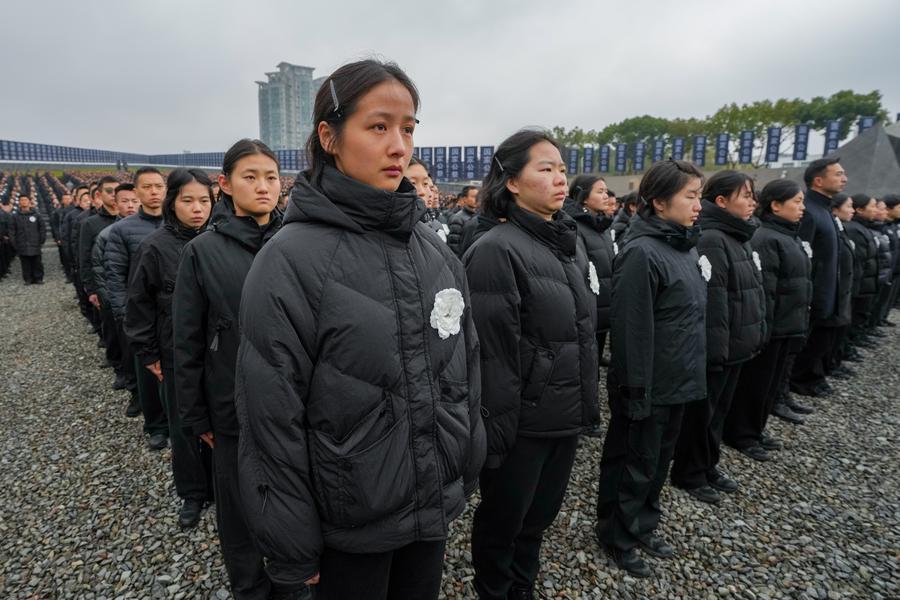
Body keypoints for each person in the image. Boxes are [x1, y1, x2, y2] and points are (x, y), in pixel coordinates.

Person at [232, 61, 485, 600]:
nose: (399, 146)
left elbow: (465, 368)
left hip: (429, 502)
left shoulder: (433, 251)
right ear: (329, 137)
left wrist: (464, 461)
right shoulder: (288, 261)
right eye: (378, 126)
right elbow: (271, 416)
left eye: (408, 128)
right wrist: (292, 542)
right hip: (348, 519)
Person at [465, 130, 598, 599]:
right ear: (512, 182)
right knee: (504, 522)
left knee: (538, 519)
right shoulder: (495, 250)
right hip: (521, 425)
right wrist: (496, 441)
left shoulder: (569, 243)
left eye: (562, 169)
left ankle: (522, 587)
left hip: (562, 414)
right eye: (545, 169)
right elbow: (492, 358)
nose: (560, 178)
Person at [174, 139, 286, 599]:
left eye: (271, 177)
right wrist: (196, 414)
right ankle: (249, 586)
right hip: (231, 406)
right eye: (250, 177)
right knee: (238, 510)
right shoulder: (203, 252)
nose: (263, 187)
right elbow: (187, 341)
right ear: (225, 184)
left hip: (293, 405)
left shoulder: (295, 242)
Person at [595, 159, 706, 578]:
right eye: (690, 197)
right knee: (632, 463)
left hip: (678, 378)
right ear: (659, 202)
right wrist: (635, 391)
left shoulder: (684, 246)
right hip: (648, 383)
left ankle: (643, 523)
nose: (698, 206)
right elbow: (632, 330)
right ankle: (617, 534)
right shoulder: (641, 252)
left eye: (699, 196)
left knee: (658, 462)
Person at [126, 169, 214, 529]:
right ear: (172, 202)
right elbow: (139, 304)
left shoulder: (219, 240)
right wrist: (149, 354)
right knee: (183, 424)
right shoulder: (154, 247)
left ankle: (220, 483)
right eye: (187, 200)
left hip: (216, 350)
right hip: (174, 351)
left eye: (204, 200)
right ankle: (193, 492)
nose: (197, 209)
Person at [671, 171, 766, 504]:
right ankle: (690, 472)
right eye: (746, 195)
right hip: (719, 349)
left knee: (718, 413)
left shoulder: (739, 235)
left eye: (753, 195)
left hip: (735, 345)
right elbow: (714, 301)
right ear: (722, 201)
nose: (753, 202)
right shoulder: (712, 238)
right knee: (702, 416)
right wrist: (716, 352)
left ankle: (708, 464)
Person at [724, 179, 812, 459]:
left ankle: (756, 430)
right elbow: (766, 291)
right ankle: (742, 434)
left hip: (787, 325)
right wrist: (764, 329)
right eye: (796, 201)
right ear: (776, 205)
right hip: (771, 329)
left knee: (771, 384)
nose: (802, 207)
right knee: (756, 385)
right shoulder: (766, 238)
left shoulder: (789, 235)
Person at [105, 167, 166, 449]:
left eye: (158, 186)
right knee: (147, 371)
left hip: (172, 310)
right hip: (141, 313)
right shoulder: (121, 230)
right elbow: (115, 276)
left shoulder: (176, 223)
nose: (154, 192)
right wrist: (124, 315)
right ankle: (156, 426)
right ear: (137, 192)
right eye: (147, 187)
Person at [790, 158, 847, 397]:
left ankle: (812, 378)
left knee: (821, 339)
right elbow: (803, 257)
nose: (844, 179)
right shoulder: (809, 212)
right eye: (838, 174)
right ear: (818, 180)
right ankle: (799, 381)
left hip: (828, 289)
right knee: (807, 342)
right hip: (813, 293)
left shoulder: (825, 210)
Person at [563, 174, 615, 368]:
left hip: (604, 299)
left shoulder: (602, 225)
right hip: (589, 302)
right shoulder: (575, 226)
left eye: (606, 191)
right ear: (584, 197)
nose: (606, 196)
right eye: (600, 192)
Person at [94, 183, 140, 398]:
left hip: (146, 303)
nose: (130, 205)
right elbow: (100, 270)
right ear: (116, 203)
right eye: (125, 201)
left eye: (134, 200)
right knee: (127, 349)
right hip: (123, 303)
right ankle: (133, 390)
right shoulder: (107, 234)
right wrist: (114, 304)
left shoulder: (160, 229)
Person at [79, 177, 119, 329]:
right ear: (99, 194)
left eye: (117, 191)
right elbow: (85, 258)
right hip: (104, 286)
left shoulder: (131, 219)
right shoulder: (90, 223)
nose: (114, 194)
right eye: (109, 191)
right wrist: (91, 290)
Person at [10, 196, 46, 284]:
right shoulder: (15, 216)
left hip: (35, 242)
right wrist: (14, 243)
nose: (23, 202)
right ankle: (28, 278)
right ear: (19, 203)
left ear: (29, 202)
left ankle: (38, 278)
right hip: (22, 243)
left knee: (37, 262)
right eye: (21, 200)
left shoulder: (36, 215)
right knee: (25, 263)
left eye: (25, 200)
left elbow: (42, 228)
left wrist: (41, 240)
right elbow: (12, 231)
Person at [447, 185, 479, 255]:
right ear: (464, 199)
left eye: (478, 197)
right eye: (473, 196)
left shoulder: (478, 217)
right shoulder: (458, 218)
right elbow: (454, 245)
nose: (476, 199)